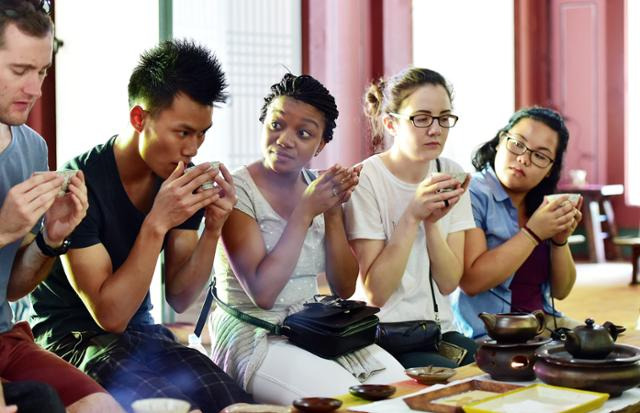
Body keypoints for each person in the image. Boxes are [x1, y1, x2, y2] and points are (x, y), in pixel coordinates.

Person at [29, 39, 252, 412]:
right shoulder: (79, 186)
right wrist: (156, 222)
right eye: (183, 132)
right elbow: (110, 316)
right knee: (162, 404)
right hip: (75, 340)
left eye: (202, 133)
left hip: (142, 335)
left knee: (229, 398)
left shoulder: (178, 180)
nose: (193, 148)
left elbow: (180, 295)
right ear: (139, 118)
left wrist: (213, 228)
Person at [208, 73, 406, 405]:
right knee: (343, 401)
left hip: (313, 327)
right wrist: (305, 211)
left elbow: (343, 287)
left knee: (402, 394)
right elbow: (263, 294)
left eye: (303, 133)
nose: (285, 140)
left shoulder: (318, 187)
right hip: (253, 336)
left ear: (321, 145)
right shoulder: (238, 190)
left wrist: (331, 211)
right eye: (276, 125)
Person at [0, 1, 124, 411]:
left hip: (6, 339)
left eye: (42, 72)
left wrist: (51, 240)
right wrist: (3, 229)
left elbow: (13, 285)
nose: (35, 90)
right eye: (20, 71)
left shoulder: (32, 148)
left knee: (102, 407)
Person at [344, 67, 478, 369]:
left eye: (444, 118)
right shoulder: (367, 179)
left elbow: (448, 283)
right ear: (391, 123)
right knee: (445, 379)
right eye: (422, 118)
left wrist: (431, 223)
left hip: (439, 330)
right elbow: (376, 293)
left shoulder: (450, 172)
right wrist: (412, 216)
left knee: (493, 367)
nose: (435, 129)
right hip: (384, 333)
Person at [453, 107, 582, 339]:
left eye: (540, 155)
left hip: (542, 322)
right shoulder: (471, 193)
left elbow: (561, 291)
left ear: (549, 170)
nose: (523, 158)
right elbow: (471, 282)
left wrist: (559, 242)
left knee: (606, 348)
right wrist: (533, 233)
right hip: (493, 331)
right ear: (501, 140)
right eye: (518, 144)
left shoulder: (541, 203)